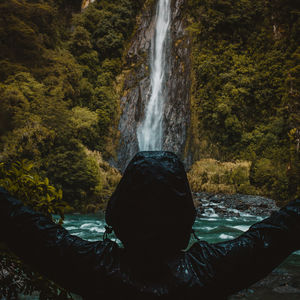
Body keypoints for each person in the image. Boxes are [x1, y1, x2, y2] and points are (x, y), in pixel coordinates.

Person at [1, 151, 300, 299]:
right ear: (186, 220)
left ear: (117, 218)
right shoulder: (210, 272)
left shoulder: (95, 269)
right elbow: (278, 232)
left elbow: (26, 228)